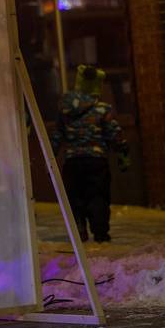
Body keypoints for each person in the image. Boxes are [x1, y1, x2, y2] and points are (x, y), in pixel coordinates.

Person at [51, 65, 130, 243]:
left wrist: (51, 155)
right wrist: (123, 151)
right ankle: (100, 233)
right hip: (96, 161)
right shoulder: (102, 109)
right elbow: (114, 134)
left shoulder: (65, 110)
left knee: (75, 197)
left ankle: (79, 227)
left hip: (72, 161)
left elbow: (57, 134)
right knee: (98, 196)